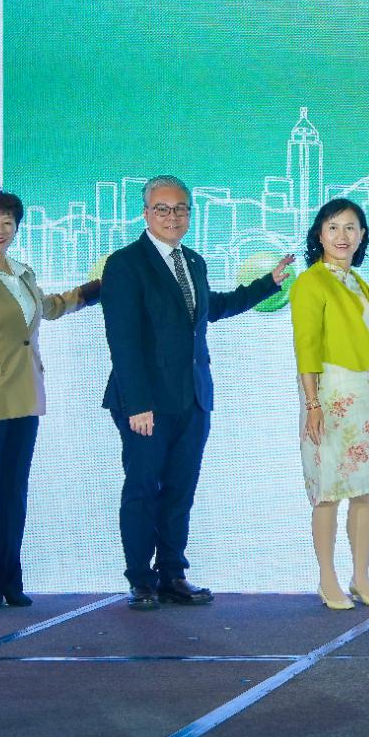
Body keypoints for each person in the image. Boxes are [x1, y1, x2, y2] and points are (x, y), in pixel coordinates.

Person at [100, 175, 294, 612]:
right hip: (146, 403)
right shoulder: (126, 264)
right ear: (146, 214)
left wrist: (267, 283)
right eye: (163, 209)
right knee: (142, 488)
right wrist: (138, 403)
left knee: (180, 489)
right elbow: (123, 340)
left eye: (181, 208)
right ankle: (141, 580)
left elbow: (213, 308)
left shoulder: (193, 261)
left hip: (193, 397)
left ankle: (172, 574)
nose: (172, 216)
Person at [0, 189, 100, 610]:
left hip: (24, 395)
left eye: (8, 222)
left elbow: (48, 308)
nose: (0, 229)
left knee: (14, 491)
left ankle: (9, 580)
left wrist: (92, 291)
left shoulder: (21, 272)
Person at [289, 199, 369, 611]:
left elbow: (366, 333)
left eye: (350, 227)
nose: (342, 236)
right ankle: (327, 579)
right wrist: (312, 404)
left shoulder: (356, 281)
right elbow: (306, 347)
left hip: (365, 398)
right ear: (319, 235)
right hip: (330, 397)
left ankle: (361, 577)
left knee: (364, 491)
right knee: (328, 491)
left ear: (362, 236)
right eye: (333, 227)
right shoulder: (310, 283)